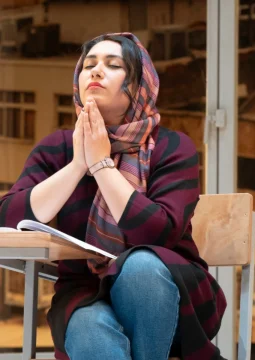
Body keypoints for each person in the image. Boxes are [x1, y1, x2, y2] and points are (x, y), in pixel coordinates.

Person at [0, 33, 226, 360]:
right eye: (88, 65)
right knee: (92, 336)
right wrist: (79, 164)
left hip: (169, 295)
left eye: (113, 64)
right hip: (85, 293)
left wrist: (102, 165)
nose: (96, 71)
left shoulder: (172, 148)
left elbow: (157, 234)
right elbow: (9, 218)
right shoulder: (58, 147)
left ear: (138, 86)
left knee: (141, 265)